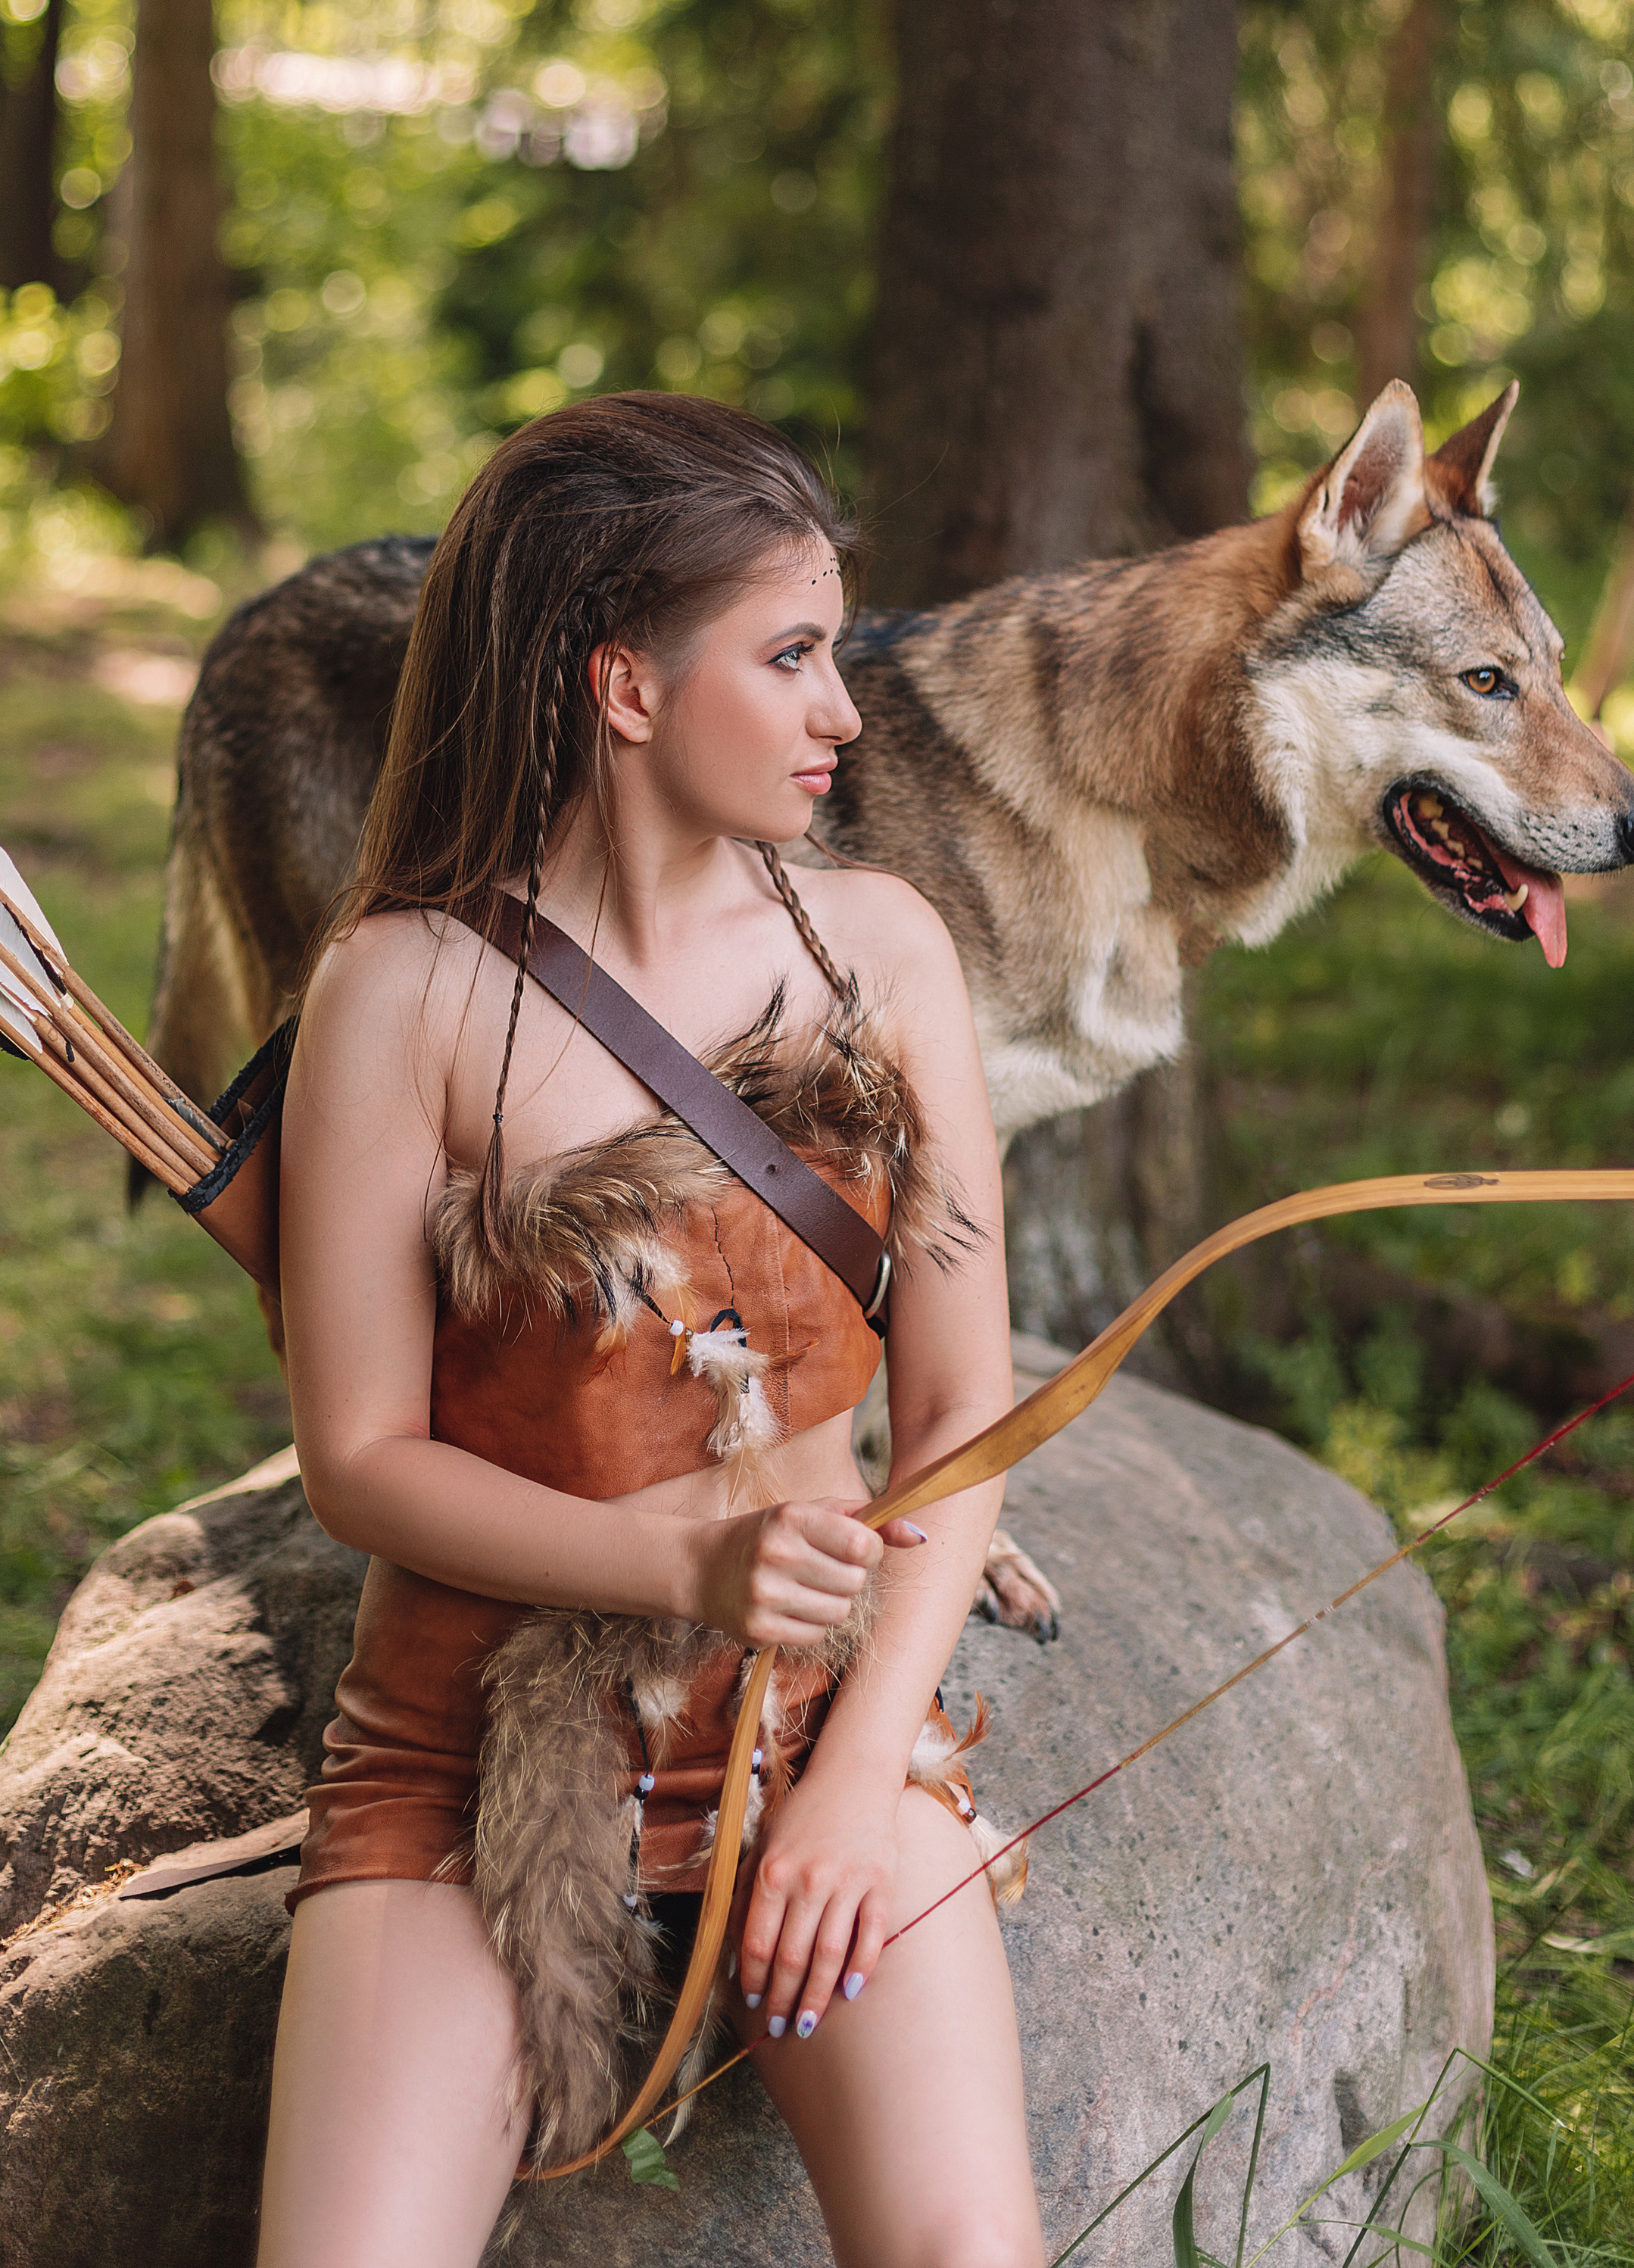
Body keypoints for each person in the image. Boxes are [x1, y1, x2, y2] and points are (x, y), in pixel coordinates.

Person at [256, 394, 1043, 2268]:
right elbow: (358, 1457)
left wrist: (858, 1785)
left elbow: (958, 1408)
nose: (843, 714)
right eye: (789, 659)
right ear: (621, 685)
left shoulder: (883, 948)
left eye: (833, 657)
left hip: (802, 1716)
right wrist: (665, 1552)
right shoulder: (402, 988)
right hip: (474, 1738)